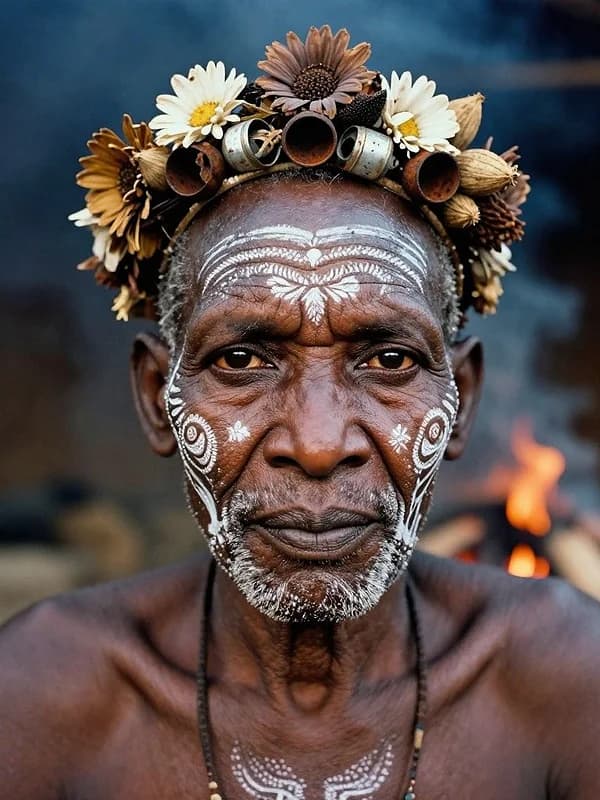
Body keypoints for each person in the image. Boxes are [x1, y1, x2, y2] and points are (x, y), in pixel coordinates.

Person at [1, 25, 599, 800]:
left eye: (388, 360)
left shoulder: (567, 678)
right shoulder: (43, 694)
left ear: (461, 402)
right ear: (157, 397)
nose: (318, 444)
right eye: (243, 359)